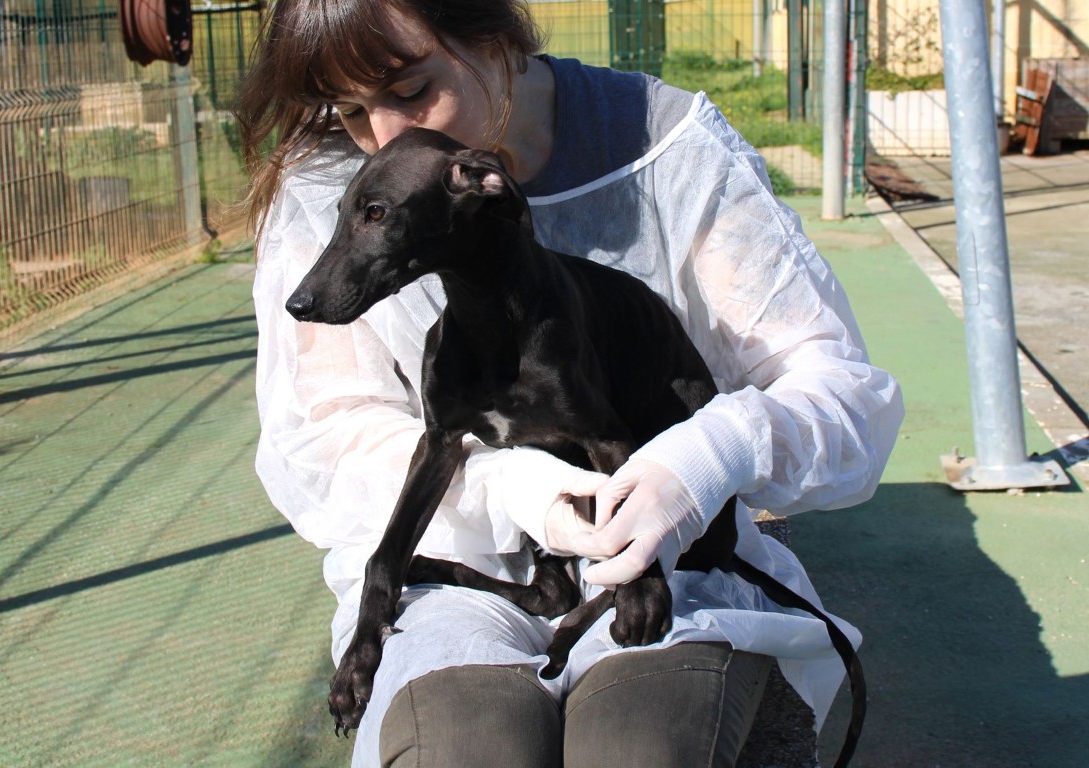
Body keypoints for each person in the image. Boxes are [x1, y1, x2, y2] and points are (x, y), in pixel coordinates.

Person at [235, 1, 903, 766]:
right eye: (350, 110)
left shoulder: (664, 146)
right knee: (464, 750)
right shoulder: (341, 181)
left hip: (665, 556)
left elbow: (834, 386)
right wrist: (509, 489)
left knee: (634, 748)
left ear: (494, 38)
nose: (384, 138)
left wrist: (709, 453)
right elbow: (326, 430)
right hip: (459, 570)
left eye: (412, 90)